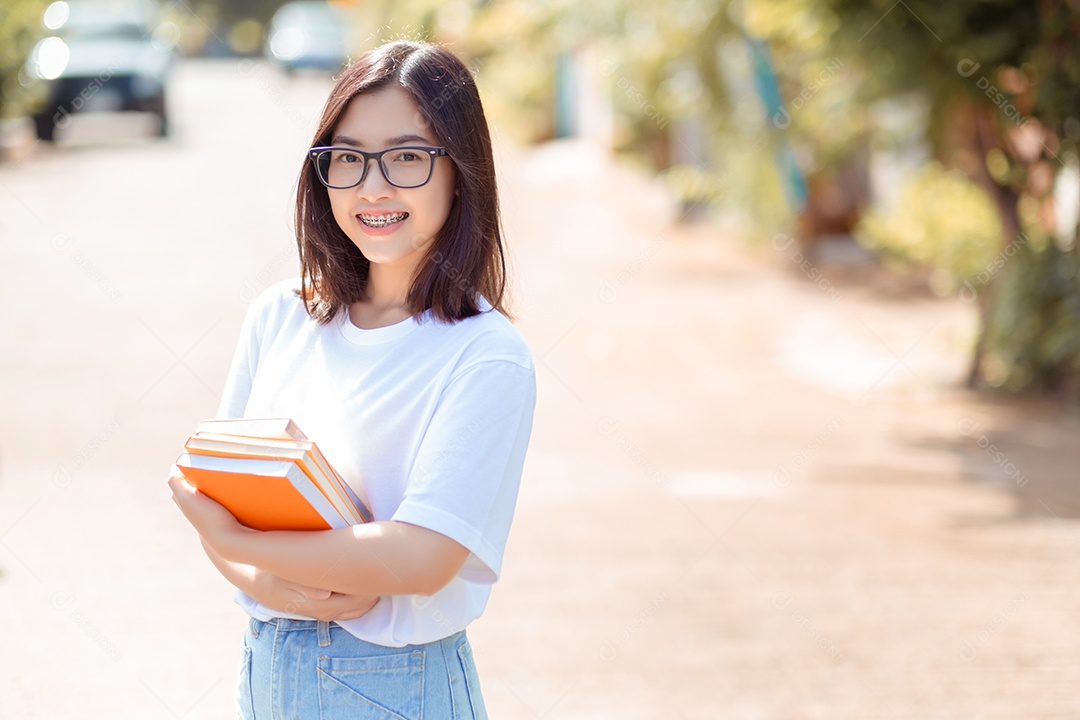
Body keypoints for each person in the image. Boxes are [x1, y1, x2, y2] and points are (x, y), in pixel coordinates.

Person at [168, 40, 536, 720]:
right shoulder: (281, 314)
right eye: (348, 157)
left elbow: (423, 555)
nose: (372, 187)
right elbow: (213, 485)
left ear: (461, 171)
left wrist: (237, 543)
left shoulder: (485, 354)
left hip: (394, 685)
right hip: (267, 665)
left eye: (406, 156)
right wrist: (262, 581)